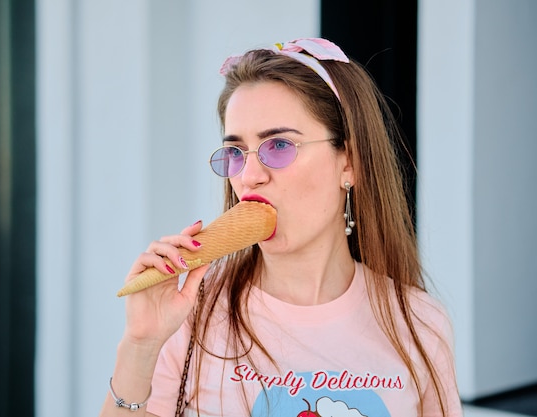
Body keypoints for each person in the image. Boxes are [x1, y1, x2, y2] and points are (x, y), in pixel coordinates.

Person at [100, 38, 462, 417]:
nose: (249, 176)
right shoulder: (188, 311)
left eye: (278, 146)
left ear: (349, 163)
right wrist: (141, 345)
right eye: (236, 153)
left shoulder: (419, 322)